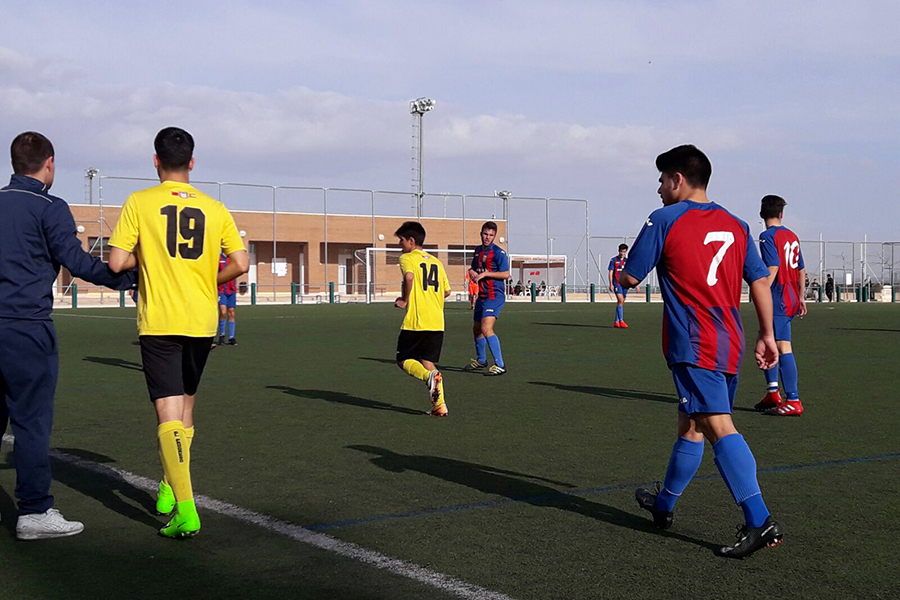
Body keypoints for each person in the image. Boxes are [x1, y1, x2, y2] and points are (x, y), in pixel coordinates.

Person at [622, 145, 783, 559]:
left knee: (716, 426)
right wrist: (767, 333)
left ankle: (759, 519)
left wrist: (624, 272)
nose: (658, 188)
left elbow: (630, 276)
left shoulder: (663, 219)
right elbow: (760, 282)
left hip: (694, 342)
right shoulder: (737, 224)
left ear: (677, 179)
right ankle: (664, 505)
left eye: (661, 180)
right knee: (691, 424)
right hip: (730, 336)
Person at [108, 127, 248, 538]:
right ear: (192, 162)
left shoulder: (139, 202)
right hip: (202, 320)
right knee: (185, 407)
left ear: (155, 161)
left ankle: (186, 510)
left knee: (167, 411)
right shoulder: (214, 207)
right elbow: (239, 263)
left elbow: (116, 263)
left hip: (161, 320)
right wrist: (208, 279)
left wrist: (148, 257)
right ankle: (170, 483)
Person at [0, 131, 136, 540]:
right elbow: (75, 261)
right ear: (50, 163)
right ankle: (35, 511)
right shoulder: (49, 207)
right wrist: (130, 277)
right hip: (25, 328)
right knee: (31, 423)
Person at [754, 195, 807, 416]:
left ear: (761, 214)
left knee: (782, 346)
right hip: (792, 296)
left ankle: (793, 399)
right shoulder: (792, 235)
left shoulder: (767, 236)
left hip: (778, 300)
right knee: (768, 342)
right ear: (781, 214)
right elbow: (801, 269)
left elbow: (773, 267)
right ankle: (773, 392)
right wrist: (802, 297)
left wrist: (761, 293)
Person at [393, 221, 450, 416]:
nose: (400, 244)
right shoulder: (437, 262)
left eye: (401, 240)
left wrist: (405, 299)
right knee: (427, 361)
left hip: (417, 321)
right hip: (437, 321)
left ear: (411, 240)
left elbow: (409, 278)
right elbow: (447, 291)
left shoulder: (407, 258)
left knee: (402, 359)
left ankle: (428, 377)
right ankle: (440, 406)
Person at [464, 222, 510, 376]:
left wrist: (486, 274)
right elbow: (474, 269)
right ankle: (481, 360)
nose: (487, 237)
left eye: (491, 235)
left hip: (494, 295)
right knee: (476, 329)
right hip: (482, 296)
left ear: (494, 236)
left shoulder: (499, 253)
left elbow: (506, 274)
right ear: (481, 233)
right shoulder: (477, 251)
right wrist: (471, 272)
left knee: (486, 328)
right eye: (485, 234)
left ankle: (500, 365)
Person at [216, 252, 238, 346]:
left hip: (231, 290)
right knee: (223, 312)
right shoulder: (218, 258)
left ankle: (231, 337)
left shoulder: (233, 258)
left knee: (232, 312)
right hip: (221, 290)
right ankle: (222, 335)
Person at [608, 243, 630, 328]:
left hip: (625, 284)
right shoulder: (613, 260)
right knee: (620, 300)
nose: (622, 253)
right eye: (621, 251)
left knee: (621, 302)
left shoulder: (627, 261)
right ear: (619, 251)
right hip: (617, 283)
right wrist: (611, 284)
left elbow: (630, 272)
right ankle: (621, 320)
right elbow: (610, 272)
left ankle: (616, 321)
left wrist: (635, 284)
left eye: (624, 252)